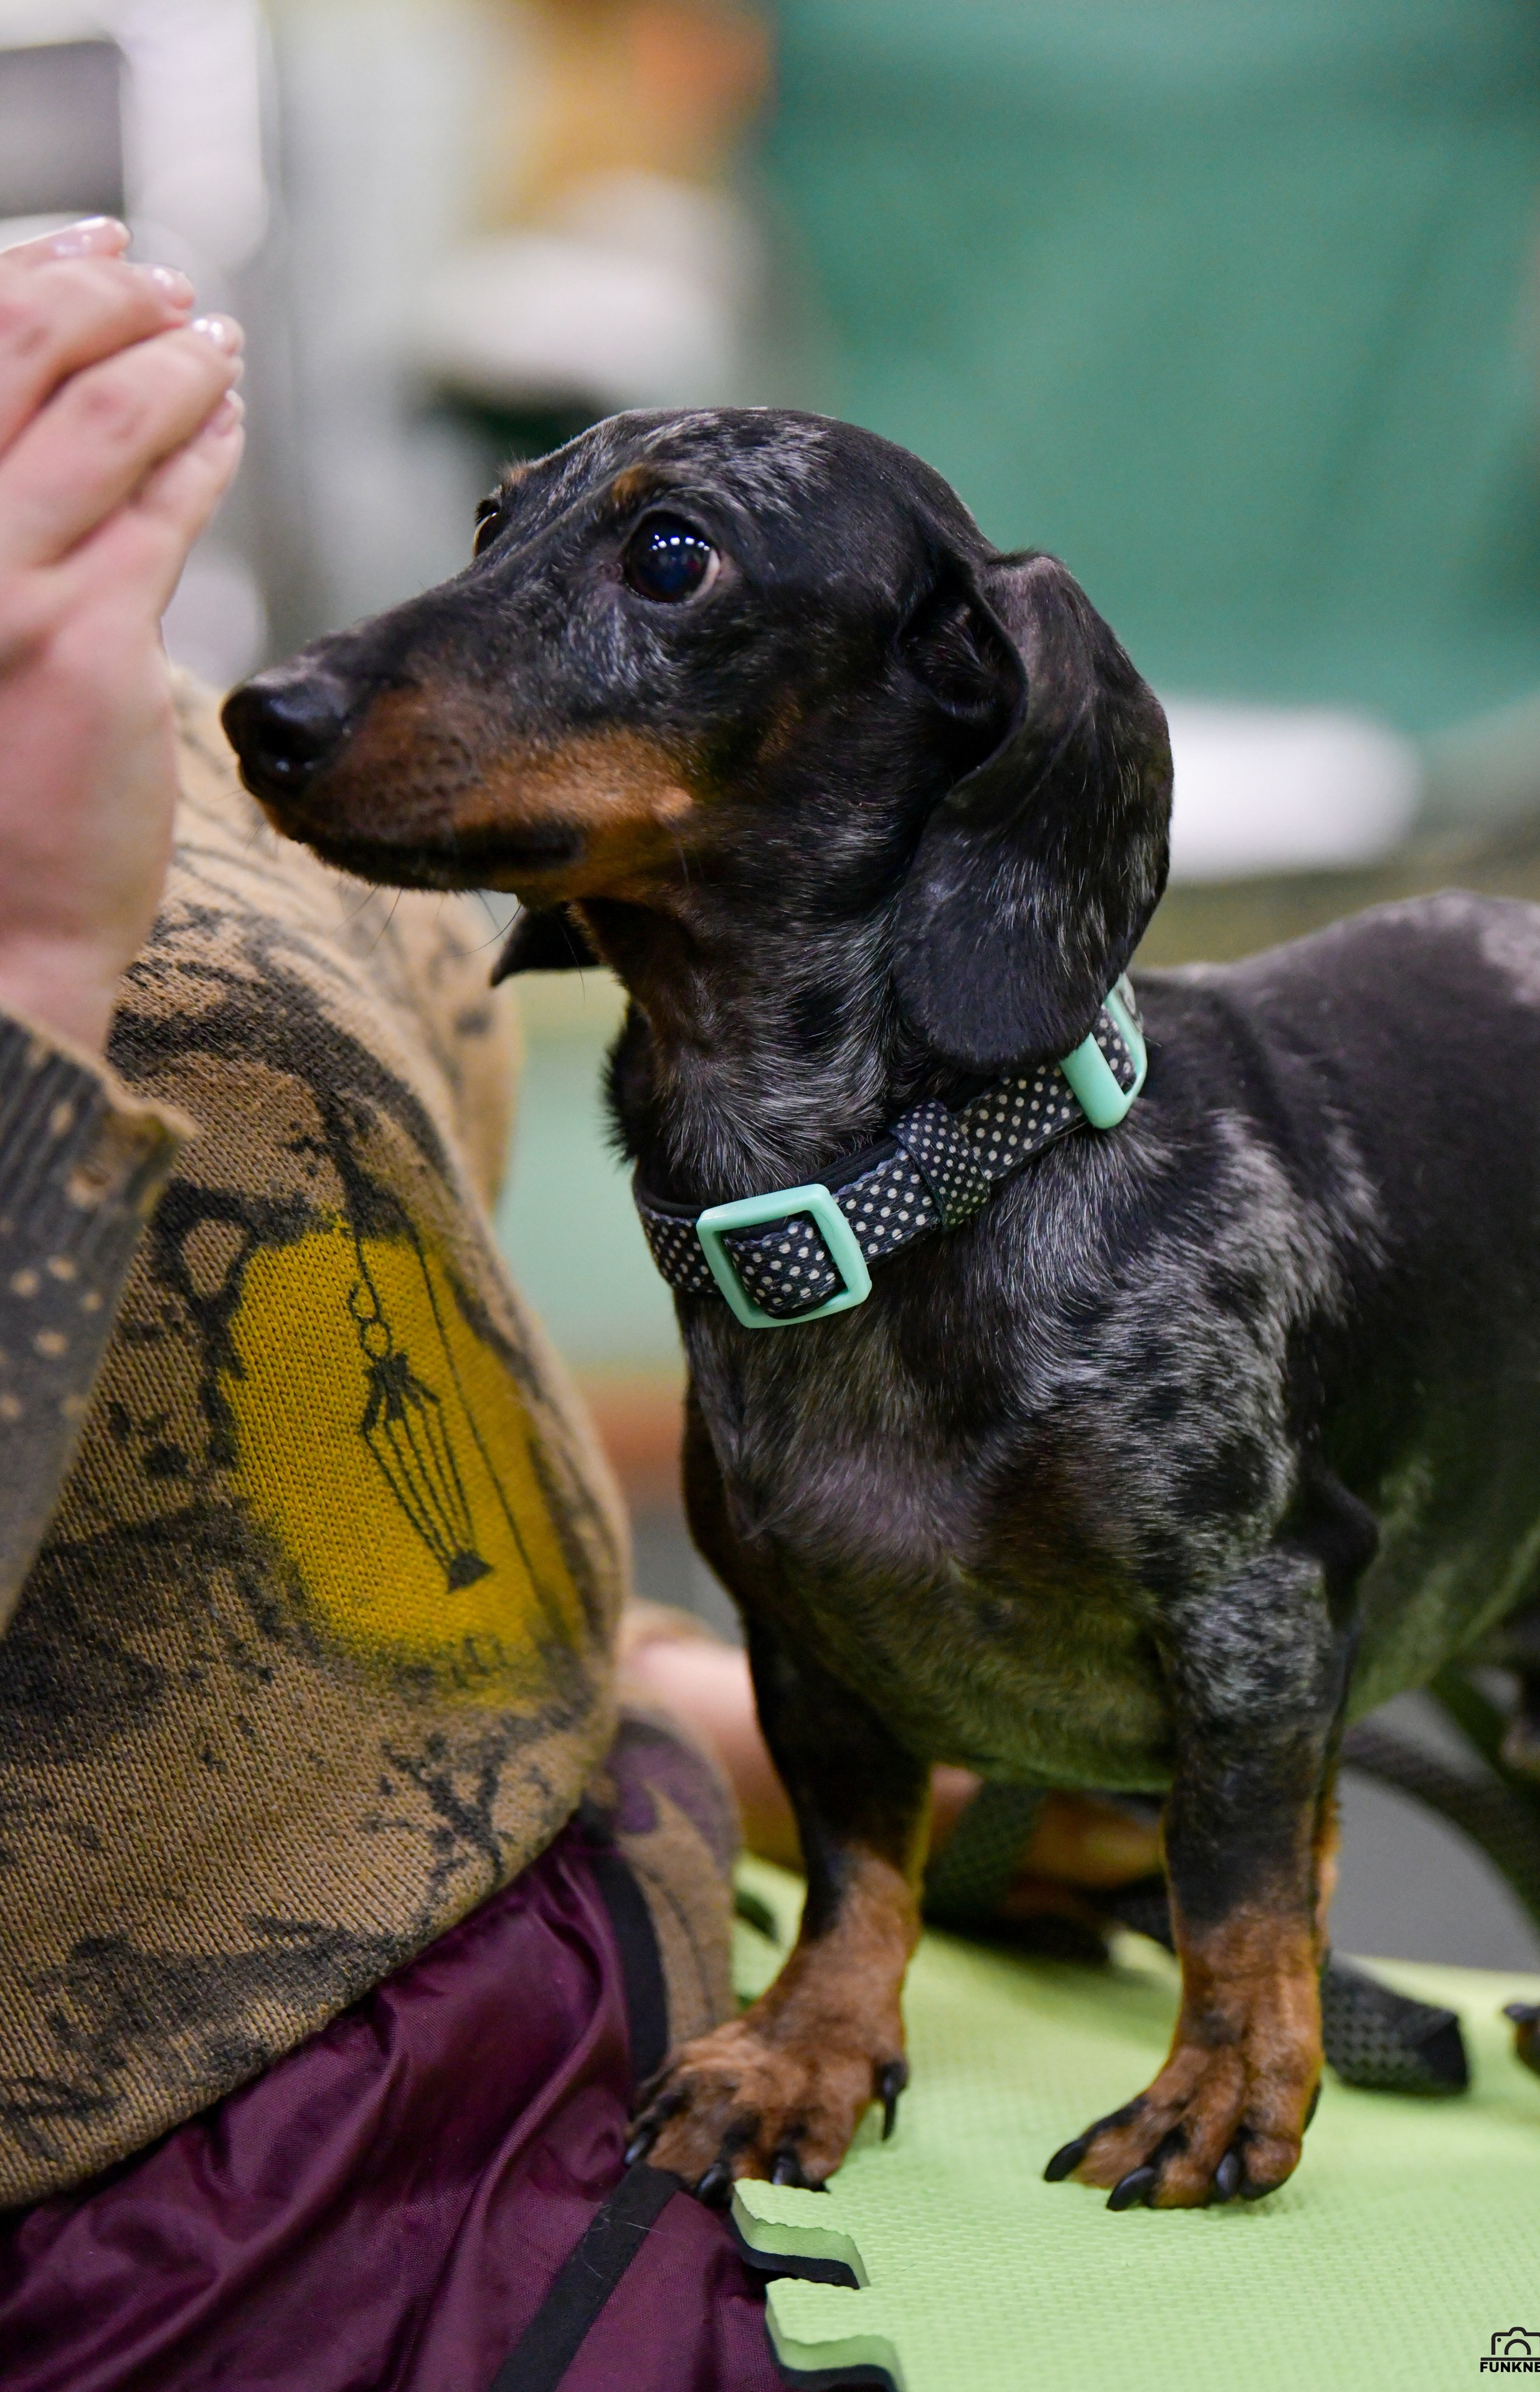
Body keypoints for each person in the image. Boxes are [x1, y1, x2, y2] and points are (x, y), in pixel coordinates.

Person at [0, 217, 1155, 2391]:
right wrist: (28, 970)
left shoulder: (179, 718)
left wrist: (717, 1718)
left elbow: (363, 1383)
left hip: (692, 1929)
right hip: (263, 2234)